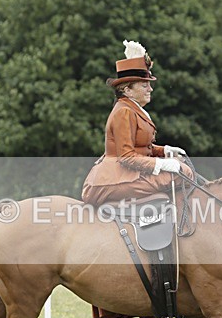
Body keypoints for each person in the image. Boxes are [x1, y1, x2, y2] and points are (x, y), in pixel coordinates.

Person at [81, 40, 193, 206]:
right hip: (112, 179)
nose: (150, 89)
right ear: (127, 90)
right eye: (144, 85)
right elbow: (126, 156)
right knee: (182, 173)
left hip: (127, 174)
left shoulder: (131, 108)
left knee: (181, 167)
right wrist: (161, 163)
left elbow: (139, 147)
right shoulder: (124, 112)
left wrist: (164, 151)